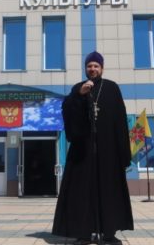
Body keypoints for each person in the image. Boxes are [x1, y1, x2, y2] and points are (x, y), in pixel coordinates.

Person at [52, 51, 134, 244]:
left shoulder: (112, 88)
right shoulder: (78, 88)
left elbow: (120, 120)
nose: (92, 69)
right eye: (89, 66)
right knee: (82, 193)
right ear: (85, 69)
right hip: (83, 151)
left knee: (109, 191)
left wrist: (123, 152)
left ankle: (109, 233)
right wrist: (79, 96)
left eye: (96, 66)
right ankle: (83, 233)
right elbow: (67, 111)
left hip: (108, 151)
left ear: (102, 68)